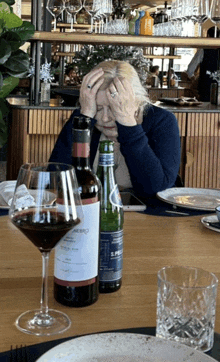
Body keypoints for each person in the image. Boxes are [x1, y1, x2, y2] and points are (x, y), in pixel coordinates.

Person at [49, 60, 181, 200]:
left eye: (114, 108)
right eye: (98, 108)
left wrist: (128, 124)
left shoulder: (162, 121)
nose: (105, 118)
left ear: (137, 102)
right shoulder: (84, 118)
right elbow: (55, 179)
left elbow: (157, 189)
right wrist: (85, 115)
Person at [184, 26, 220, 102]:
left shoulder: (203, 50)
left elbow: (190, 70)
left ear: (208, 36)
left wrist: (195, 80)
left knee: (205, 112)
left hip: (205, 90)